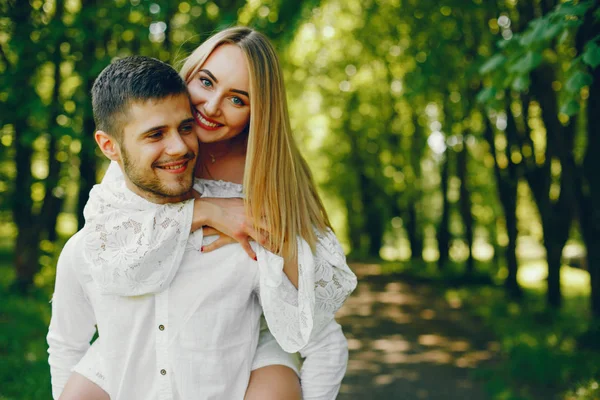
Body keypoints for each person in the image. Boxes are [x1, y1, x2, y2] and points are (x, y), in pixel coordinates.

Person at [49, 27, 357, 400]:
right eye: (206, 82)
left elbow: (315, 295)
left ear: (257, 111)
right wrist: (204, 210)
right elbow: (111, 234)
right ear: (188, 76)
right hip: (141, 339)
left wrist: (263, 232)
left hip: (236, 338)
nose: (211, 107)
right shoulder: (142, 149)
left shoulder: (268, 171)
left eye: (237, 100)